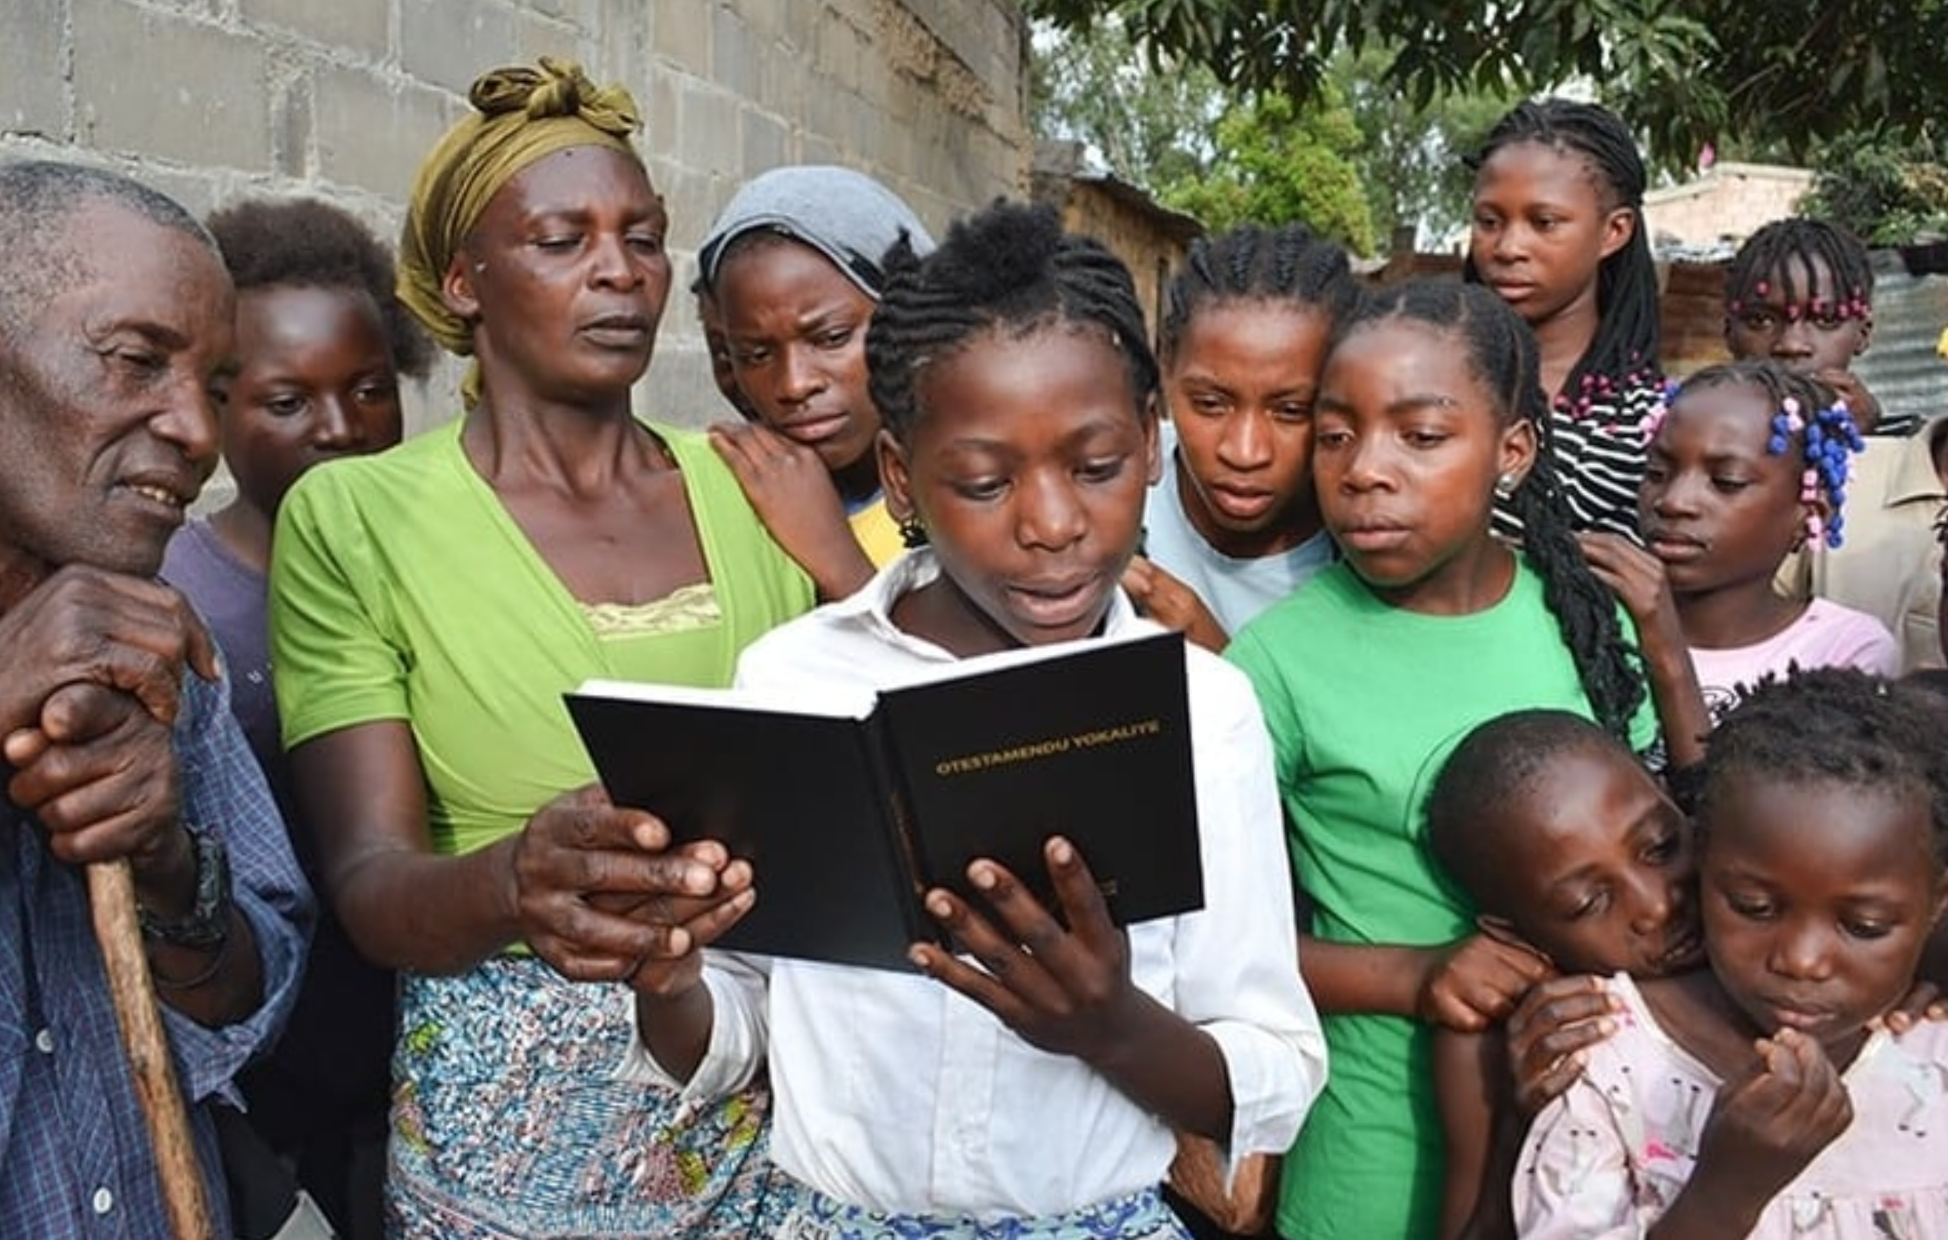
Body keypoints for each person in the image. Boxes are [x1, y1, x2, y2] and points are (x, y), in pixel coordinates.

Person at [622, 201, 1327, 1238]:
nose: (1050, 526)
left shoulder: (1201, 710)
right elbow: (740, 1033)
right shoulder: (793, 680)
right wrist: (668, 973)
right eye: (986, 482)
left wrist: (1110, 1025)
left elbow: (1271, 1069)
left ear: (1146, 442)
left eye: (1096, 468)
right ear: (904, 478)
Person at [267, 60, 816, 1236]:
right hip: (511, 1149)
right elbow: (370, 884)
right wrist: (516, 879)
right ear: (464, 282)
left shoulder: (754, 486)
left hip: (779, 1102)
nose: (619, 270)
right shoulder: (357, 520)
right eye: (562, 240)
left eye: (643, 237)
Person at [1225, 278, 1662, 1240]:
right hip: (1373, 1163)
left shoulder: (1586, 623)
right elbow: (1209, 945)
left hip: (1615, 1158)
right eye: (1336, 437)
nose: (1365, 471)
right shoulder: (1271, 666)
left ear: (1512, 451)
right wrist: (1416, 977)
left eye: (1421, 437)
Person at [0, 160, 310, 1234]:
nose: (194, 430)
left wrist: (169, 859)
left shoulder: (158, 651)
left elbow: (252, 992)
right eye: (134, 362)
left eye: (214, 386)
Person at [159, 195, 430, 1239]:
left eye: (369, 391)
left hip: (420, 1068)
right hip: (257, 1090)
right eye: (287, 400)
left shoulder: (438, 577)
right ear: (215, 407)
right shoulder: (181, 601)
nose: (339, 429)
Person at [1513, 668, 1948, 1237]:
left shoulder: (1932, 1049)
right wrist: (1724, 1194)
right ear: (1700, 862)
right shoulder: (1604, 1061)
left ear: (1936, 905)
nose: (1802, 960)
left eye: (1864, 926)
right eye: (1754, 907)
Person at [1425, 710, 1702, 1240]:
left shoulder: (1768, 951)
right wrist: (1518, 1124)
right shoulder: (1493, 1043)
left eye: (1660, 847)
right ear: (1512, 932)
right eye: (1589, 902)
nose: (1656, 905)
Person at [697, 164, 935, 591]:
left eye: (831, 338)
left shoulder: (979, 487)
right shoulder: (734, 490)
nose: (793, 384)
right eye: (755, 354)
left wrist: (837, 561)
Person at [1127, 222, 1357, 651]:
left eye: (1291, 411)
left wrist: (1208, 649)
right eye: (1210, 404)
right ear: (1166, 369)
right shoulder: (1103, 492)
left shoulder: (1370, 547)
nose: (1244, 452)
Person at [1640, 359, 1898, 721]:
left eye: (1727, 482)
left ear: (1811, 514)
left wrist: (1669, 659)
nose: (1674, 501)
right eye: (1656, 472)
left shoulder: (1843, 651)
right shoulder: (1588, 622)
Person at [1466, 97, 1664, 540]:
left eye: (1545, 222)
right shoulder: (1420, 371)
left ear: (1614, 231)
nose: (1508, 247)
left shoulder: (1648, 420)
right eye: (1490, 221)